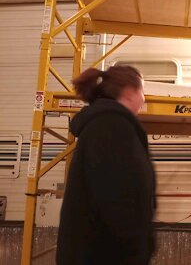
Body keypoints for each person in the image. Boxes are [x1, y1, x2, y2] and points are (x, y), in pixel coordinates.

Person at [57, 65, 156, 265]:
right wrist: (137, 247)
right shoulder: (112, 127)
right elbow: (119, 196)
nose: (144, 99)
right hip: (106, 254)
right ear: (129, 91)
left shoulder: (107, 125)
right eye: (142, 91)